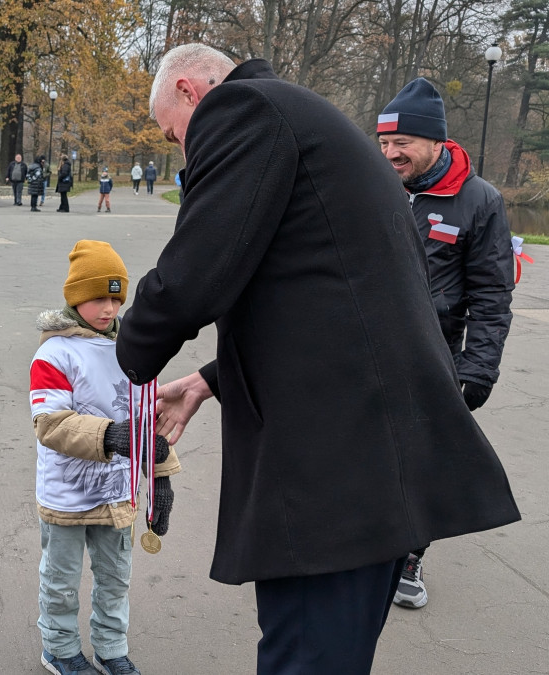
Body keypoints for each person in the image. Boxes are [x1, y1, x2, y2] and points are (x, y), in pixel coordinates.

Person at [115, 43, 520, 674]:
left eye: (175, 135)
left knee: (305, 661)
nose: (184, 151)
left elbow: (195, 270)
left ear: (193, 91)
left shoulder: (243, 111)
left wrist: (131, 351)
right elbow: (331, 298)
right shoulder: (299, 119)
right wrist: (211, 379)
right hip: (377, 472)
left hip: (335, 483)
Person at [377, 77, 515, 609]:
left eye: (402, 143)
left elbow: (491, 296)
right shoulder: (372, 183)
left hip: (432, 360)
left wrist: (477, 371)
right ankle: (361, 547)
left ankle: (409, 559)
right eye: (384, 143)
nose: (390, 154)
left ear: (435, 141)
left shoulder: (479, 201)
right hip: (364, 351)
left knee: (421, 462)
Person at [31, 240, 180, 675]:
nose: (109, 309)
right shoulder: (54, 353)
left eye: (117, 298)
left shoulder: (133, 350)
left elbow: (149, 419)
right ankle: (59, 648)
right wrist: (114, 435)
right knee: (60, 582)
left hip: (118, 493)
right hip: (68, 494)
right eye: (99, 297)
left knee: (115, 579)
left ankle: (111, 649)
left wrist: (162, 478)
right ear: (76, 297)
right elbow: (51, 424)